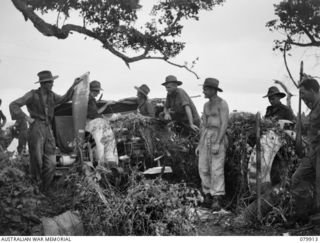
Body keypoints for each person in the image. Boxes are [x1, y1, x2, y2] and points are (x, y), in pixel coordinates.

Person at [9, 70, 81, 192]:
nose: (53, 84)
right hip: (36, 127)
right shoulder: (32, 95)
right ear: (44, 83)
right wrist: (26, 117)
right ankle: (35, 190)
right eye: (51, 82)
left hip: (48, 128)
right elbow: (13, 105)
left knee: (52, 163)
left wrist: (73, 86)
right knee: (36, 160)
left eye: (52, 82)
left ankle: (45, 189)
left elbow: (64, 98)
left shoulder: (52, 95)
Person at [195, 78, 229, 210]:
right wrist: (200, 144)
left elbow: (224, 124)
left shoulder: (222, 104)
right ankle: (207, 195)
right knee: (203, 166)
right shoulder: (205, 105)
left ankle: (217, 198)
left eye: (206, 89)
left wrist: (218, 142)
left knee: (216, 168)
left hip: (218, 135)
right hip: (206, 136)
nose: (203, 91)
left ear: (213, 90)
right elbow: (203, 125)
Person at [291, 78, 320, 223]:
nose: (301, 96)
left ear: (313, 91)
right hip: (313, 151)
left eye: (303, 93)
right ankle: (302, 214)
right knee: (298, 178)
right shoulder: (313, 108)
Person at [85, 80, 118, 167]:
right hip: (92, 124)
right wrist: (106, 105)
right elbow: (94, 115)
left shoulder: (91, 100)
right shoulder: (88, 99)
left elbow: (96, 113)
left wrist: (106, 105)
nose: (98, 93)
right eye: (97, 91)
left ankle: (109, 160)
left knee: (107, 138)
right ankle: (103, 162)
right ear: (92, 90)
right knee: (101, 145)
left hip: (94, 123)